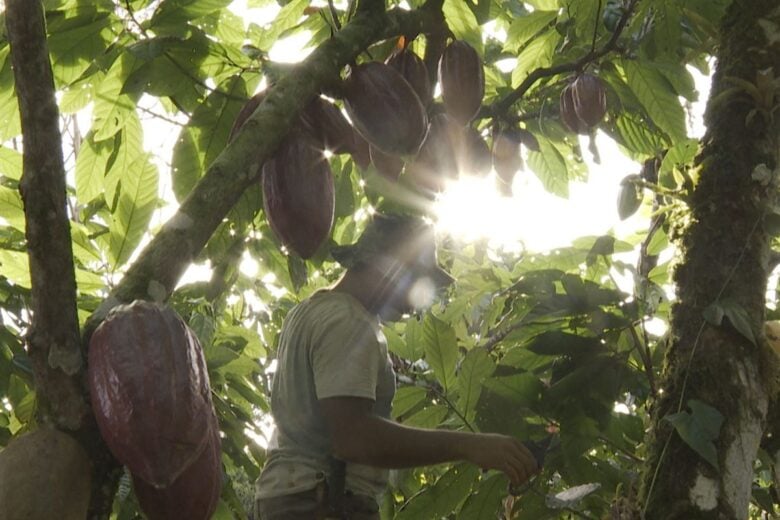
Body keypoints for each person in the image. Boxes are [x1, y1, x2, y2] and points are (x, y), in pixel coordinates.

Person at [254, 213, 538, 519]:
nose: (416, 303)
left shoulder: (308, 311)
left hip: (289, 497)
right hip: (321, 501)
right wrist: (470, 446)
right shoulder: (347, 321)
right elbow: (353, 438)